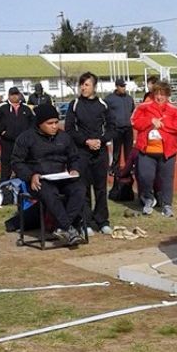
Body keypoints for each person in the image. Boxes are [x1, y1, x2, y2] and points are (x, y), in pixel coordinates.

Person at [11, 104, 86, 246]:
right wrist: (31, 176)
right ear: (40, 124)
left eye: (56, 122)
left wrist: (74, 169)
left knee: (79, 189)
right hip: (39, 181)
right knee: (49, 193)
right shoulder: (26, 138)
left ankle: (63, 227)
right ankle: (68, 228)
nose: (54, 126)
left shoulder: (64, 137)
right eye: (49, 123)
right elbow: (16, 162)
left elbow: (74, 157)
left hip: (61, 178)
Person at [65, 72, 117, 235]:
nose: (83, 87)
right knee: (83, 187)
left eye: (86, 84)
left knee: (101, 188)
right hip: (81, 152)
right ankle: (85, 222)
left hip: (100, 152)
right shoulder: (74, 104)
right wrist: (86, 141)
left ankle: (102, 221)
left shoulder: (103, 105)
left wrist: (100, 140)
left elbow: (111, 127)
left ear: (94, 86)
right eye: (81, 84)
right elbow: (69, 129)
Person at [131, 80, 177, 218]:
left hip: (167, 151)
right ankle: (148, 198)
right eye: (157, 93)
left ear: (167, 95)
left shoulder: (174, 110)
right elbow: (134, 121)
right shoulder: (144, 107)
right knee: (145, 176)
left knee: (167, 179)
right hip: (147, 150)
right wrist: (150, 122)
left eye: (162, 94)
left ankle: (167, 205)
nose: (159, 97)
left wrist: (163, 124)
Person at [0, 87, 35, 181]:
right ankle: (4, 182)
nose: (15, 96)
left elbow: (33, 121)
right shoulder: (2, 107)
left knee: (24, 162)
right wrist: (2, 132)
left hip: (23, 142)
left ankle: (23, 182)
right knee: (6, 163)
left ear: (19, 95)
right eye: (12, 94)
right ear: (9, 95)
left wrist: (29, 134)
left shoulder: (26, 108)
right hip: (7, 141)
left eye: (16, 94)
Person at [105, 78, 135, 176]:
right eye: (121, 86)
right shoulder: (109, 99)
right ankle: (114, 168)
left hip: (128, 128)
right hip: (116, 129)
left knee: (129, 150)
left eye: (124, 86)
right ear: (117, 86)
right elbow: (104, 112)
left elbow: (133, 111)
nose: (123, 88)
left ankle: (129, 168)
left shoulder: (129, 98)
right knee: (116, 151)